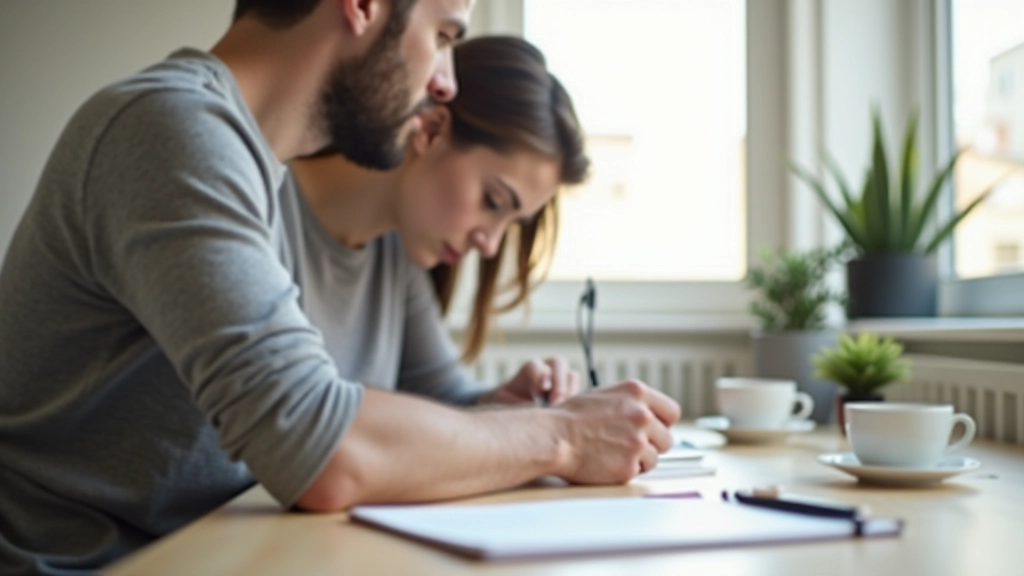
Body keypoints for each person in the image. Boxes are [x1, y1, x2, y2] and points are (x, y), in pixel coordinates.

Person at [0, 2, 679, 575]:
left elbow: (399, 416)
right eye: (442, 35)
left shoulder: (240, 156)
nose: (444, 85)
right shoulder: (171, 129)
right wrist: (561, 436)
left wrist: (514, 416)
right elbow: (318, 446)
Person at [284, 36, 589, 407]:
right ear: (431, 130)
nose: (489, 244)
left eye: (511, 223)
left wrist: (501, 403)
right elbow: (303, 423)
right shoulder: (254, 206)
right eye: (493, 201)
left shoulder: (394, 252)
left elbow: (442, 399)